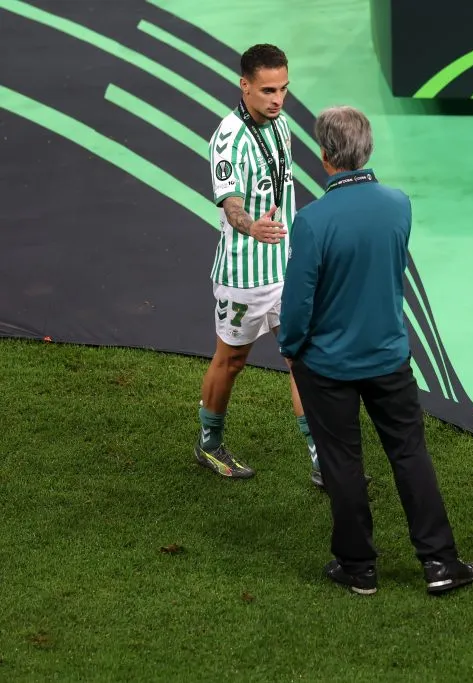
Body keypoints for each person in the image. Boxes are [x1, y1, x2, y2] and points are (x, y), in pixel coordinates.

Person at [278, 105, 473, 596]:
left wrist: (291, 347)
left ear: (325, 156)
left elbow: (298, 301)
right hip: (389, 358)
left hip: (328, 365)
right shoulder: (398, 205)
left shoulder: (311, 221)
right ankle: (440, 562)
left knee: (342, 462)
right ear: (366, 149)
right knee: (410, 454)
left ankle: (359, 568)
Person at [195, 43, 322, 487]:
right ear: (244, 85)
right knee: (230, 361)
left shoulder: (281, 125)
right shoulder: (227, 139)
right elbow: (231, 204)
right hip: (243, 277)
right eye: (268, 90)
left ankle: (321, 458)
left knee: (302, 358)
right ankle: (208, 444)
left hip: (285, 269)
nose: (278, 99)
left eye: (283, 89)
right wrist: (252, 227)